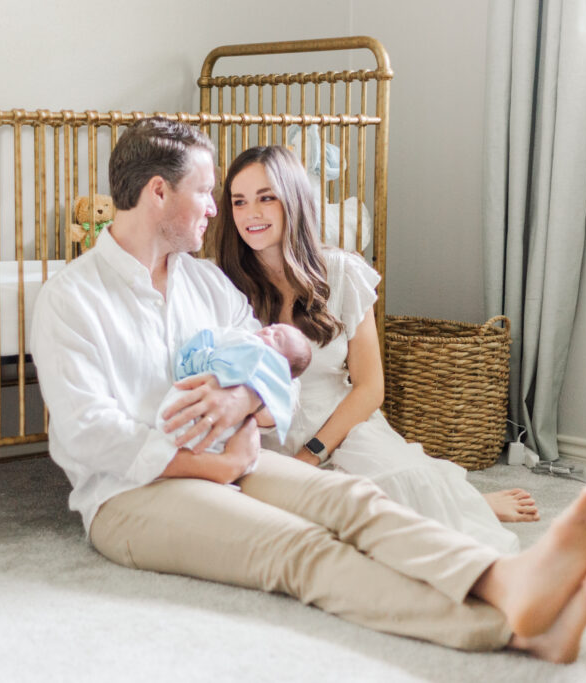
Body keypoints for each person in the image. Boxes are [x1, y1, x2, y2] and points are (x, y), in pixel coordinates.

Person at [30, 116, 586, 662]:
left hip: (232, 457)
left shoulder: (206, 285)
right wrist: (206, 465)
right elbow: (86, 434)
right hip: (131, 496)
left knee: (350, 499)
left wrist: (242, 400)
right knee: (300, 548)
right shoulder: (71, 297)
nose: (216, 208)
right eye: (207, 192)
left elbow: (269, 363)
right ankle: (509, 629)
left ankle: (499, 579)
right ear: (159, 193)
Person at [214, 145, 536, 553]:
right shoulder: (221, 284)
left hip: (340, 428)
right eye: (239, 202)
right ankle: (455, 503)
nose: (250, 214)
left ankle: (467, 505)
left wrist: (313, 454)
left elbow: (369, 387)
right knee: (302, 525)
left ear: (292, 201)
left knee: (402, 488)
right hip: (265, 435)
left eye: (266, 198)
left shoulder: (342, 273)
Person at [156, 323, 311, 456]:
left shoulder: (267, 365)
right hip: (191, 392)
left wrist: (252, 395)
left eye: (277, 339)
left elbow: (287, 391)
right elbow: (219, 336)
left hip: (230, 434)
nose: (268, 331)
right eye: (271, 327)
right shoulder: (244, 337)